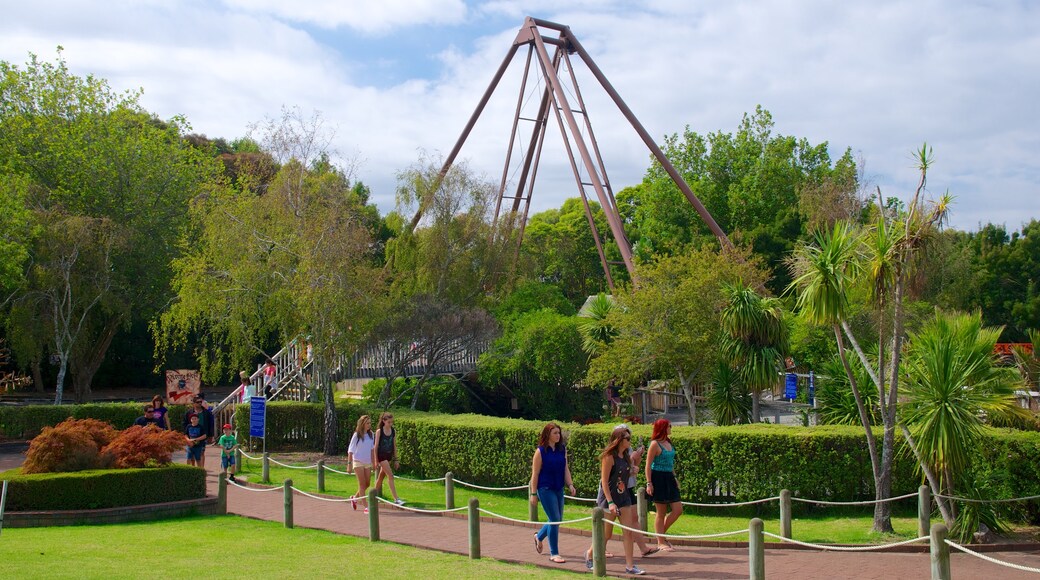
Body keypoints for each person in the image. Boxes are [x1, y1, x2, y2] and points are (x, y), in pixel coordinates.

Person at [585, 425, 658, 566]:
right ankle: (589, 554)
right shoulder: (608, 457)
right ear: (619, 440)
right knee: (606, 534)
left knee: (628, 532)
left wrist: (633, 470)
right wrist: (610, 502)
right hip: (609, 499)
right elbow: (605, 482)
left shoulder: (625, 456)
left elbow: (623, 475)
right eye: (628, 439)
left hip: (623, 498)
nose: (630, 441)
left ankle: (630, 566)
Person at [529, 422, 576, 564]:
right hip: (545, 488)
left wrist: (570, 484)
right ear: (547, 434)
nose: (558, 435)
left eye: (559, 433)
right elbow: (535, 474)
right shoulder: (540, 451)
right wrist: (533, 494)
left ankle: (539, 536)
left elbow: (565, 469)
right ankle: (554, 553)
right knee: (555, 518)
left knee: (557, 519)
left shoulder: (562, 449)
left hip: (558, 488)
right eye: (555, 433)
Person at [645, 418, 682, 551]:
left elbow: (671, 463)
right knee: (661, 512)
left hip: (669, 478)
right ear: (663, 428)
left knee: (678, 510)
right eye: (669, 426)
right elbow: (648, 465)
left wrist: (675, 477)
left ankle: (660, 534)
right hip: (658, 478)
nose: (671, 428)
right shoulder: (654, 444)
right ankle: (660, 541)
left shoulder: (668, 442)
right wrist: (649, 483)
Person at [373, 412, 405, 505]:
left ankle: (372, 496)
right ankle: (396, 498)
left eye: (392, 422)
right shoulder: (380, 431)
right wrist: (375, 460)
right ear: (384, 421)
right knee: (390, 475)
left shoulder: (393, 431)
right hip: (381, 456)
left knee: (380, 478)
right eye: (389, 422)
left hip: (388, 456)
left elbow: (394, 445)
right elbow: (375, 447)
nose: (390, 424)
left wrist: (396, 459)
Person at [347, 415, 376, 514]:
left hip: (367, 462)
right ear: (362, 424)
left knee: (367, 483)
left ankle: (354, 498)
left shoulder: (371, 434)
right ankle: (366, 506)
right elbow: (350, 450)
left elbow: (372, 450)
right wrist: (349, 464)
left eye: (370, 423)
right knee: (362, 484)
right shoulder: (357, 435)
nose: (369, 425)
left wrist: (374, 462)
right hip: (358, 461)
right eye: (367, 423)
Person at [182, 396, 214, 467]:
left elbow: (210, 424)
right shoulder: (189, 413)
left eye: (201, 402)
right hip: (191, 437)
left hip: (202, 436)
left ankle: (201, 469)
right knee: (191, 454)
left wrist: (210, 435)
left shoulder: (206, 413)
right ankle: (193, 469)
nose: (200, 403)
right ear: (193, 403)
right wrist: (186, 436)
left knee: (201, 453)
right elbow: (185, 424)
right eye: (197, 402)